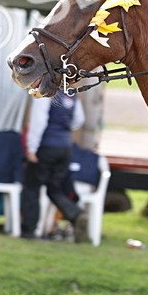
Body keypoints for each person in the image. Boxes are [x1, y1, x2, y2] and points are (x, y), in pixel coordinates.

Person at [21, 90, 87, 242]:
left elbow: (39, 121)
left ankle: (29, 230)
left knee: (31, 187)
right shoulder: (71, 93)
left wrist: (31, 148)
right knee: (55, 188)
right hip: (65, 147)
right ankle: (76, 214)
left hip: (46, 146)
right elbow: (78, 119)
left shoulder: (46, 92)